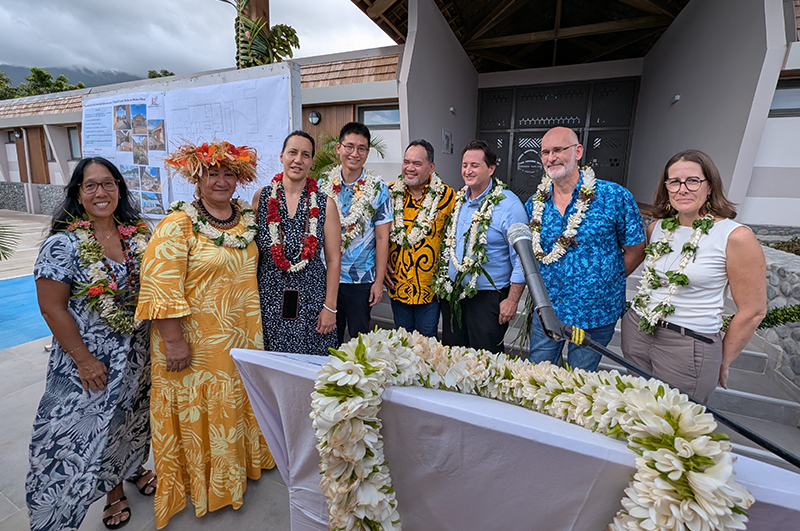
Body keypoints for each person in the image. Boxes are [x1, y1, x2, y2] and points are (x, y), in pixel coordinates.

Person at [135, 140, 275, 528]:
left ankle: (238, 471)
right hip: (195, 347)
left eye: (229, 173)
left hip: (242, 338)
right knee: (203, 412)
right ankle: (204, 485)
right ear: (197, 176)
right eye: (213, 173)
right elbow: (160, 285)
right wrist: (174, 341)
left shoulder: (246, 219)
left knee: (235, 403)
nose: (221, 181)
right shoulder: (176, 224)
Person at [28, 157, 154, 531]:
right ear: (78, 195)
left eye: (108, 184)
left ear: (119, 188)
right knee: (86, 433)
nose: (101, 192)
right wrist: (83, 359)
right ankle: (111, 493)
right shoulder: (62, 245)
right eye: (91, 186)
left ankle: (131, 468)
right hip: (90, 362)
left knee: (130, 421)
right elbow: (52, 309)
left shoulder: (137, 235)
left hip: (137, 357)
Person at [621, 150, 767, 401]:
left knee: (673, 426)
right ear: (666, 187)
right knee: (635, 412)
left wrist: (722, 359)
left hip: (688, 343)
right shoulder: (657, 228)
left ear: (709, 186)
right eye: (674, 181)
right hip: (638, 332)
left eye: (693, 181)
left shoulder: (734, 236)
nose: (682, 189)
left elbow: (753, 311)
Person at [525, 126, 645, 371]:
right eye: (545, 152)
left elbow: (636, 248)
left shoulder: (614, 196)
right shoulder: (533, 205)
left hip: (596, 312)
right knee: (536, 377)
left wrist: (604, 279)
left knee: (578, 384)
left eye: (559, 149)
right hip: (548, 311)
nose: (551, 157)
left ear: (578, 151)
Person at [435, 140, 528, 353]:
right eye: (465, 165)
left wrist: (512, 300)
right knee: (453, 357)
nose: (468, 170)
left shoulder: (509, 206)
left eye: (475, 165)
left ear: (491, 169)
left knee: (486, 362)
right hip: (455, 295)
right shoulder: (460, 201)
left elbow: (522, 260)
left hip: (488, 298)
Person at [253, 130, 341, 354]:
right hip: (268, 301)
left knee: (311, 373)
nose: (298, 160)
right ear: (281, 155)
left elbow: (333, 259)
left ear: (311, 161)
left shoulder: (324, 204)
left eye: (305, 155)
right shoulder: (261, 198)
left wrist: (330, 306)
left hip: (312, 302)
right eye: (293, 152)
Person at [318, 122, 391, 345]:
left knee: (360, 342)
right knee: (327, 338)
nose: (355, 153)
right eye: (349, 146)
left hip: (361, 279)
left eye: (361, 148)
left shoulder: (378, 188)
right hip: (327, 276)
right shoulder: (323, 186)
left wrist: (379, 281)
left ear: (367, 152)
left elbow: (382, 237)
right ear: (339, 148)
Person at [385, 139, 455, 337]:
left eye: (417, 163)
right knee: (401, 344)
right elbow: (376, 234)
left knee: (427, 346)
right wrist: (379, 265)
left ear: (431, 167)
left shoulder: (447, 196)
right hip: (397, 285)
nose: (410, 168)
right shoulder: (390, 193)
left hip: (429, 290)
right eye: (406, 162)